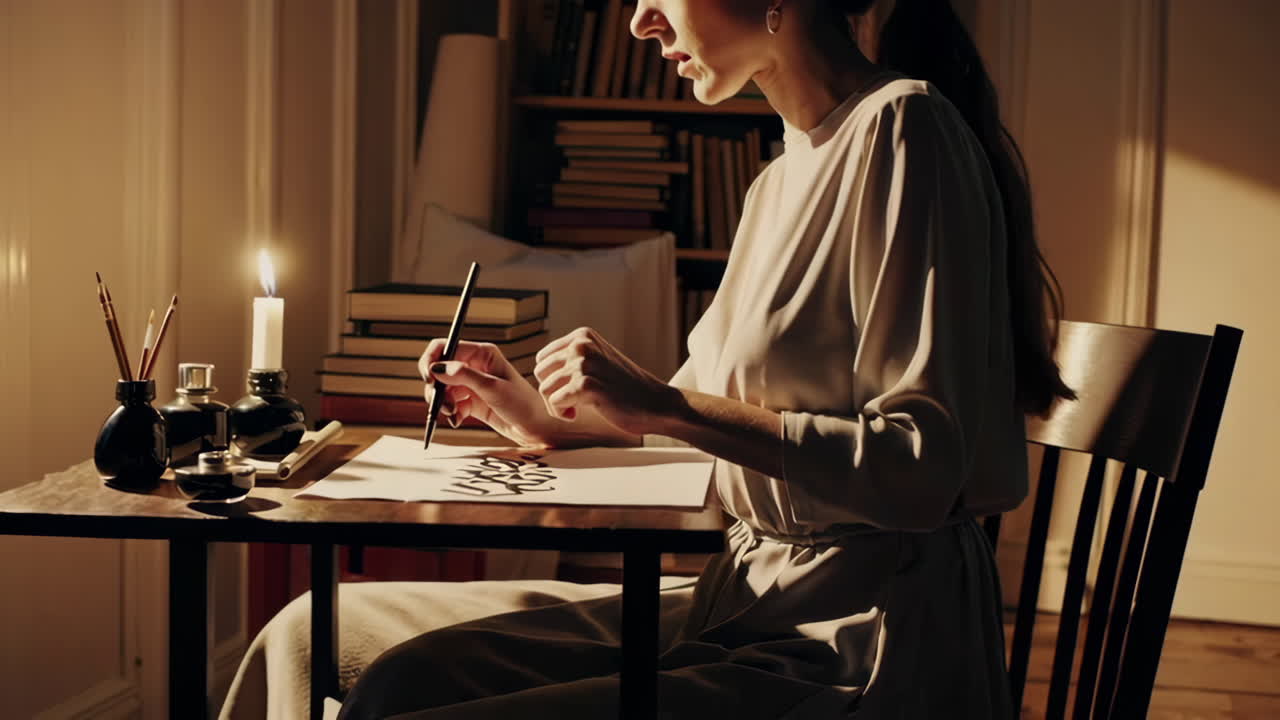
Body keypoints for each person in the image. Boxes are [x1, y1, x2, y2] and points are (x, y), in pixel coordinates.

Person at [226, 0, 1075, 717]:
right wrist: (536, 414)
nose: (637, 21)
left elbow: (925, 470)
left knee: (399, 687)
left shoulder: (904, 128)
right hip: (746, 594)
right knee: (309, 635)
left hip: (857, 639)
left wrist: (665, 407)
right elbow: (714, 432)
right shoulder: (778, 178)